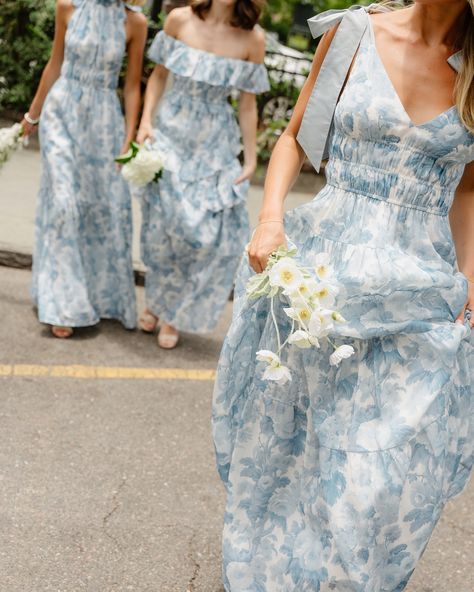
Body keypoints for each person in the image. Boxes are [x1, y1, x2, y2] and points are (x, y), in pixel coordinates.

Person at [212, 1, 474, 590]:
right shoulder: (355, 32)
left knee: (382, 478)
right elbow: (295, 139)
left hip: (421, 294)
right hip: (325, 285)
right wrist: (270, 218)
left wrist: (471, 277)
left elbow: (470, 189)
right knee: (296, 454)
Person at [136, 0, 269, 349]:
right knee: (165, 229)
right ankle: (155, 301)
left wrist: (251, 158)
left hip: (215, 144)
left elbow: (247, 103)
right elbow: (159, 76)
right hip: (170, 133)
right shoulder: (180, 19)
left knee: (204, 237)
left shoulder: (253, 38)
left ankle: (173, 314)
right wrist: (146, 121)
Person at [22, 0, 147, 338]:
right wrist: (33, 115)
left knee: (100, 209)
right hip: (62, 112)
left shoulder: (134, 22)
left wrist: (129, 135)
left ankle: (98, 295)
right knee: (64, 203)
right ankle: (62, 303)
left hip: (104, 121)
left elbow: (133, 84)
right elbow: (55, 63)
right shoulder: (68, 7)